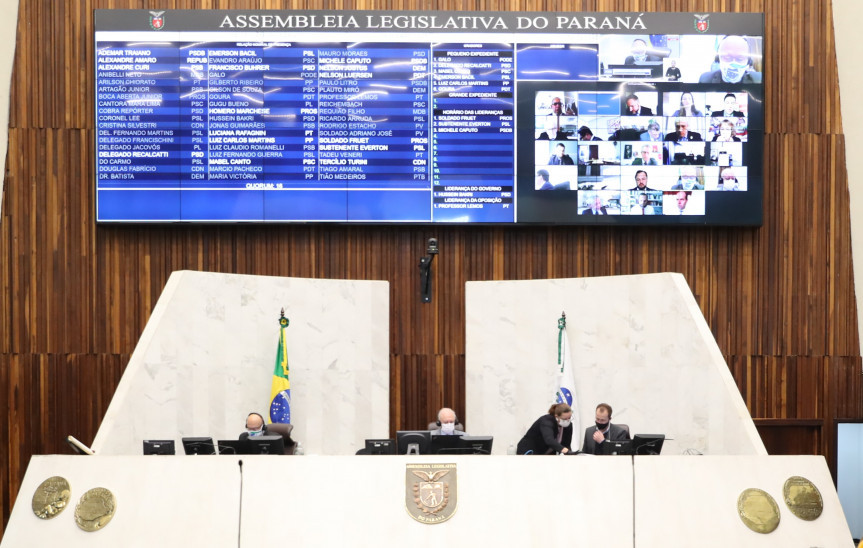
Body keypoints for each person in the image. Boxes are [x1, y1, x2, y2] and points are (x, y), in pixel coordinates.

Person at [698, 35, 762, 84]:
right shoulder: (705, 79)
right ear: (718, 59)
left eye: (740, 58)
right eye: (727, 58)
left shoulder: (759, 79)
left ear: (748, 61)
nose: (733, 64)